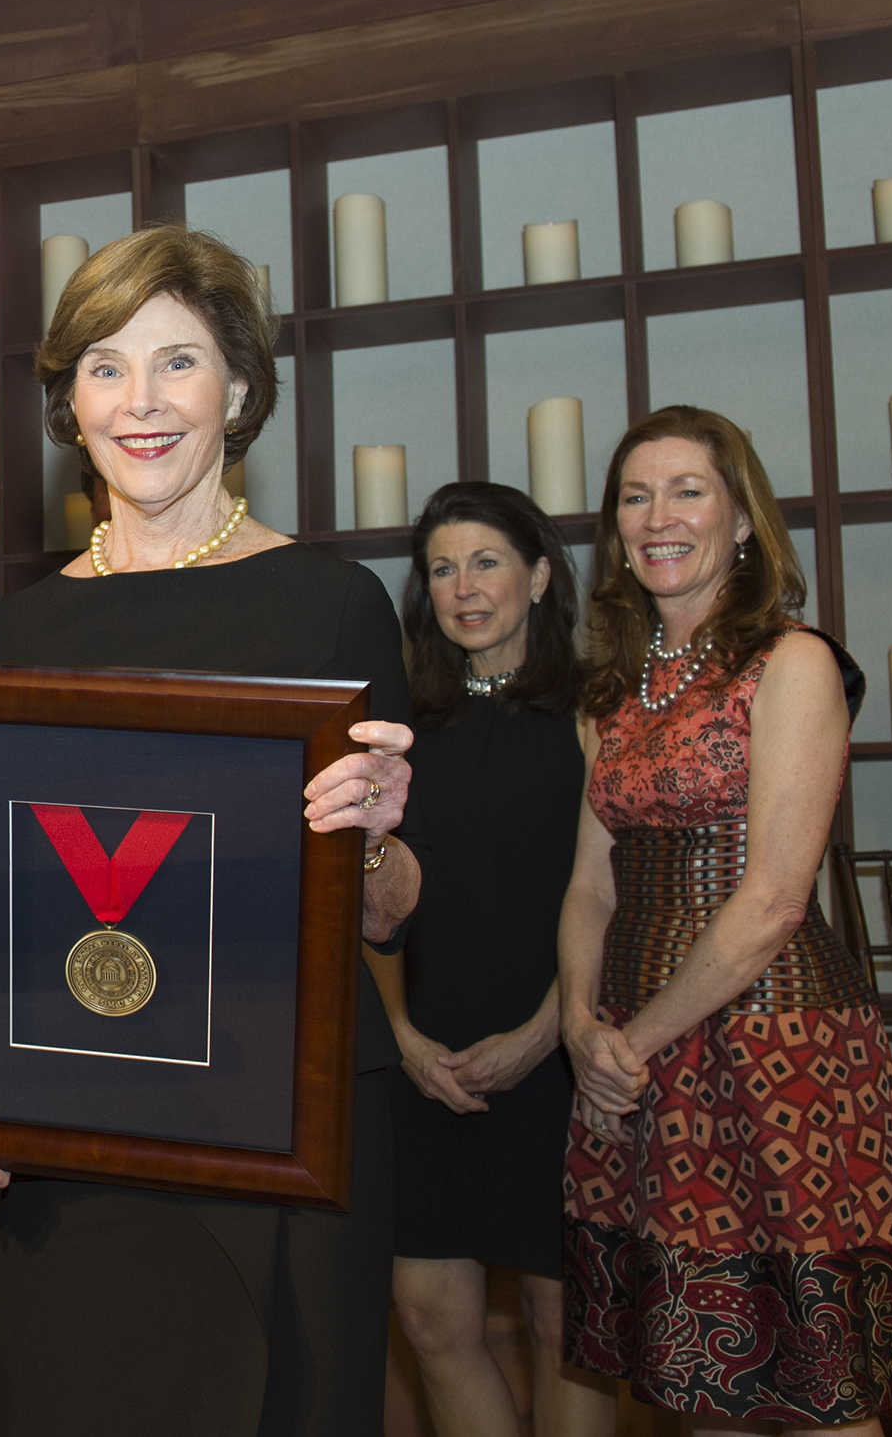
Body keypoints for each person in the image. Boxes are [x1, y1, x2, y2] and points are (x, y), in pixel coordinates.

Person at [0, 223, 422, 1436]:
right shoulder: (12, 641)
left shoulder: (333, 608)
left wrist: (381, 842)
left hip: (283, 1146)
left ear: (238, 391)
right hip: (75, 1153)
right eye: (104, 367)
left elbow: (391, 913)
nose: (142, 402)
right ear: (69, 405)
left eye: (178, 363)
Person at [558, 405, 892, 1431]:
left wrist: (631, 1044)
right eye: (635, 495)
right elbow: (589, 884)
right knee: (701, 1379)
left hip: (776, 1047)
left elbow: (772, 903)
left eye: (687, 490)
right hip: (635, 1059)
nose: (657, 516)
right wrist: (582, 1025)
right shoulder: (612, 693)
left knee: (819, 1385)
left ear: (743, 518)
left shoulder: (790, 665)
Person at [375, 482, 614, 1437]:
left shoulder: (594, 713)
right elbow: (368, 906)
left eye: (486, 562)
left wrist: (546, 1031)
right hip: (424, 1062)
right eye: (441, 569)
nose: (464, 588)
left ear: (541, 576)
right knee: (432, 1320)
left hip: (560, 1053)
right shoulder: (400, 730)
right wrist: (401, 1040)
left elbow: (609, 889)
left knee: (565, 1325)